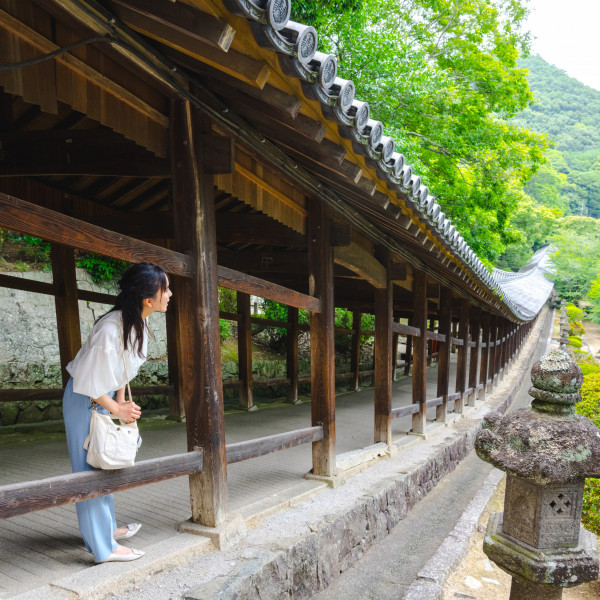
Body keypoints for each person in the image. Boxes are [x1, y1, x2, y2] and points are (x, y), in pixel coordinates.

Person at [62, 262, 172, 563]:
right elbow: (85, 381)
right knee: (89, 473)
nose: (170, 294)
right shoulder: (111, 328)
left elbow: (122, 372)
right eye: (166, 289)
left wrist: (122, 405)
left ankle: (105, 531)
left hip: (104, 397)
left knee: (104, 464)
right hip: (85, 399)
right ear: (148, 299)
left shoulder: (136, 322)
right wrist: (115, 407)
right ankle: (102, 548)